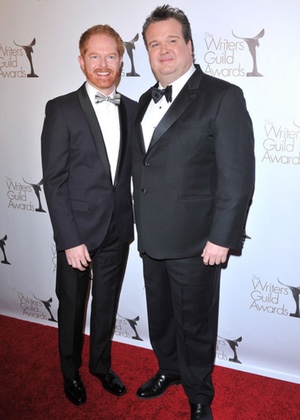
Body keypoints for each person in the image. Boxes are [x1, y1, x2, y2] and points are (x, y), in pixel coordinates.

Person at [132, 5, 255, 420]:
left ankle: (200, 393)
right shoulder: (144, 101)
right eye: (154, 44)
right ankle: (168, 369)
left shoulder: (223, 96)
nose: (163, 50)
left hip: (196, 242)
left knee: (196, 324)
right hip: (151, 236)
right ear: (147, 53)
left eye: (171, 41)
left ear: (188, 45)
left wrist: (222, 237)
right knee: (160, 316)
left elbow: (237, 177)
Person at [41, 24, 137, 406]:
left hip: (118, 229)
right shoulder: (61, 109)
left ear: (120, 59)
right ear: (81, 61)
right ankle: (70, 372)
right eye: (94, 56)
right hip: (77, 233)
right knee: (72, 304)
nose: (103, 64)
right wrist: (69, 238)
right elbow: (54, 180)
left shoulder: (132, 108)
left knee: (106, 303)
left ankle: (100, 365)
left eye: (111, 56)